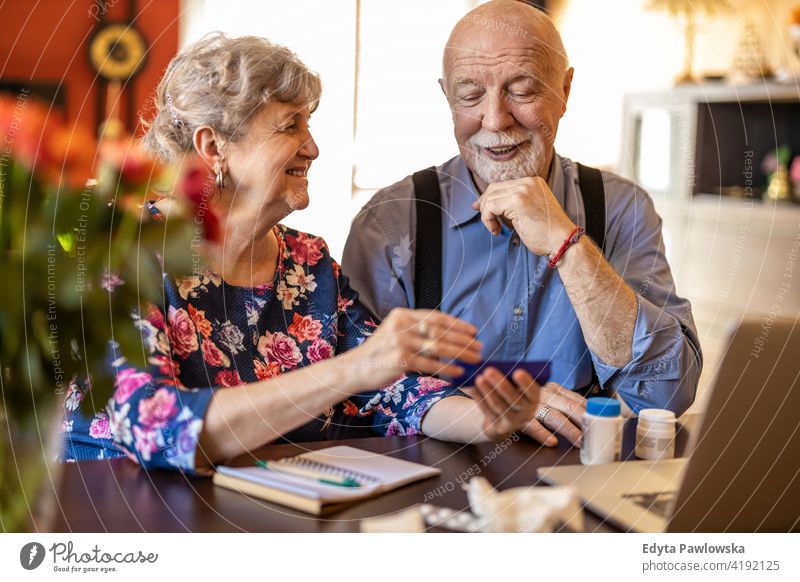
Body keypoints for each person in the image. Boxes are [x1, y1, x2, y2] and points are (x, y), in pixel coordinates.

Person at [61, 33, 541, 474]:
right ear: (213, 146)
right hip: (125, 517)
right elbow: (157, 426)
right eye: (290, 126)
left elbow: (391, 390)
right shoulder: (121, 248)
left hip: (271, 515)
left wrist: (485, 418)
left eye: (308, 125)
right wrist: (351, 370)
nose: (312, 147)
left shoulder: (308, 262)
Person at [342, 0, 702, 448]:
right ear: (447, 97)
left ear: (565, 90)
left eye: (523, 90)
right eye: (471, 95)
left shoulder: (621, 208)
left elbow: (665, 395)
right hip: (430, 486)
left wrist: (569, 246)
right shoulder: (389, 223)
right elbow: (354, 396)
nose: (495, 120)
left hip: (580, 480)